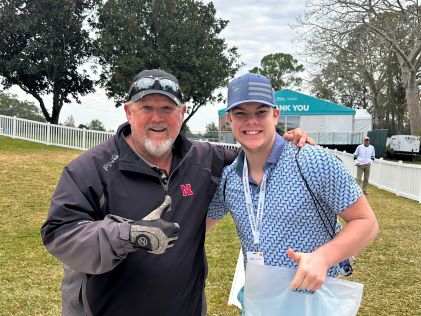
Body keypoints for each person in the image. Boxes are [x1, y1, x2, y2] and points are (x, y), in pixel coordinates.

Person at [40, 69, 312, 316]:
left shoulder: (205, 159)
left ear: (181, 113)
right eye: (146, 107)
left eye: (167, 108)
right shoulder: (91, 169)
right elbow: (60, 233)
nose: (157, 118)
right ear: (128, 112)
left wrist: (285, 141)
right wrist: (129, 235)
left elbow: (254, 150)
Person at [206, 73, 379, 311]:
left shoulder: (312, 161)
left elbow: (366, 222)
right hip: (259, 302)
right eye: (241, 114)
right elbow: (197, 226)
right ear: (229, 120)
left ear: (275, 115)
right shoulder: (229, 178)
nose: (251, 121)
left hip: (312, 299)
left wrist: (322, 258)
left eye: (260, 112)